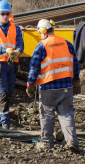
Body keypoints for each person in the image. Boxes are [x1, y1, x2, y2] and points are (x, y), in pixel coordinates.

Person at [26, 19, 81, 152]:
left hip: (47, 87)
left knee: (47, 114)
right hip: (66, 87)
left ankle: (46, 143)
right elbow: (75, 65)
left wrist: (30, 84)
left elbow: (34, 68)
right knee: (66, 114)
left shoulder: (41, 46)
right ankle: (72, 141)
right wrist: (76, 81)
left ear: (43, 31)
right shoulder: (66, 43)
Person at [0, 0, 23, 129]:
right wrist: (4, 50)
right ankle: (5, 123)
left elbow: (20, 45)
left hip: (12, 65)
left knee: (8, 93)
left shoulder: (16, 28)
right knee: (3, 94)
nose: (6, 16)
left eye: (8, 14)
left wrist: (17, 52)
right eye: (3, 14)